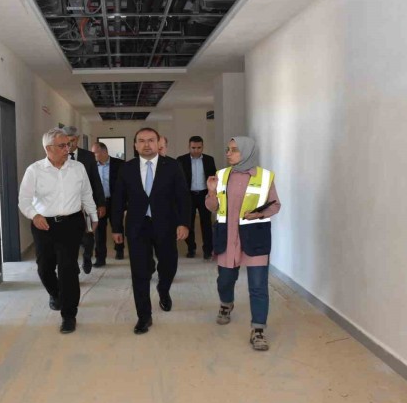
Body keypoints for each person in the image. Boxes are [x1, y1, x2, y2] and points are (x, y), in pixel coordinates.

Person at [18, 128, 99, 334]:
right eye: (62, 146)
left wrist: (93, 216)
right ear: (48, 148)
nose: (67, 149)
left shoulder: (78, 168)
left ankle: (69, 315)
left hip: (72, 223)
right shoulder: (34, 170)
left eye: (68, 145)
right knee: (44, 268)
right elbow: (24, 200)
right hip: (44, 225)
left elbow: (86, 194)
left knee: (67, 268)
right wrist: (34, 215)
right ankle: (56, 294)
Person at [205, 136, 281, 351]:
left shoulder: (265, 177)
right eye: (228, 149)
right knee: (225, 280)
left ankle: (258, 329)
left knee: (258, 285)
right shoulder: (222, 175)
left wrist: (259, 214)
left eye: (234, 150)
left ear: (247, 152)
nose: (228, 153)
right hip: (227, 237)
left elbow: (275, 205)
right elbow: (212, 207)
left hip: (254, 236)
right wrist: (211, 191)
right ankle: (226, 303)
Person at [112, 128, 190, 334]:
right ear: (135, 145)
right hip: (137, 226)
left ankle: (163, 289)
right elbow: (118, 199)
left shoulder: (172, 166)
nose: (146, 144)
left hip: (166, 224)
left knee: (169, 264)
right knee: (139, 271)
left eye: (151, 140)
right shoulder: (126, 168)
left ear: (158, 143)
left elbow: (183, 197)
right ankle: (144, 316)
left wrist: (184, 223)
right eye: (141, 141)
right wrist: (116, 227)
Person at [62, 126, 106, 274]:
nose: (69, 145)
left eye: (72, 140)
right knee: (70, 238)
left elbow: (96, 181)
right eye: (66, 141)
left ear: (78, 139)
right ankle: (73, 265)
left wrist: (101, 203)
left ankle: (87, 257)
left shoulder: (88, 156)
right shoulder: (60, 155)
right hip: (67, 205)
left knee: (88, 235)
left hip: (86, 203)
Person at [177, 136, 217, 259]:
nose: (196, 150)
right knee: (188, 222)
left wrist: (212, 192)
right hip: (188, 195)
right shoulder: (181, 160)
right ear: (189, 147)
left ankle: (207, 250)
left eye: (199, 147)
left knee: (206, 223)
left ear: (202, 147)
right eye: (193, 148)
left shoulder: (209, 160)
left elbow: (214, 177)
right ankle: (191, 248)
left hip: (204, 194)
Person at [90, 142, 125, 267]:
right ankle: (100, 258)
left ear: (104, 152)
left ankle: (119, 249)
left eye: (95, 152)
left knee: (117, 226)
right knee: (99, 231)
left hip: (115, 202)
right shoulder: (92, 166)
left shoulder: (119, 164)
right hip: (99, 203)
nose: (93, 155)